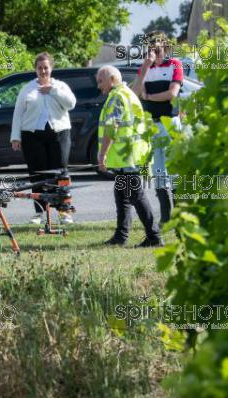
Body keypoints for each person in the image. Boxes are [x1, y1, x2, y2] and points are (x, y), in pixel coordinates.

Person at [96, 65, 163, 247]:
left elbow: (112, 127)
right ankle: (121, 236)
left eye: (100, 81)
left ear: (112, 79)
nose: (98, 86)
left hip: (126, 157)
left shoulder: (117, 96)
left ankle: (154, 236)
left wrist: (102, 154)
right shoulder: (126, 93)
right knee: (122, 196)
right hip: (129, 155)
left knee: (136, 196)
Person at [10, 52, 76, 225]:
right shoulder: (27, 88)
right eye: (40, 68)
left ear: (51, 68)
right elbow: (18, 114)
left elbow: (71, 104)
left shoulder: (60, 86)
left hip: (60, 133)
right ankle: (39, 212)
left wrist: (52, 91)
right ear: (35, 70)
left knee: (60, 172)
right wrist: (15, 137)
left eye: (46, 67)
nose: (43, 71)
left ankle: (64, 211)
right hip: (32, 135)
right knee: (37, 173)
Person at [132, 30, 183, 225]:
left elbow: (172, 93)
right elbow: (136, 92)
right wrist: (146, 65)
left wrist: (150, 97)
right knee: (158, 172)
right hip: (152, 125)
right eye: (151, 45)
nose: (154, 48)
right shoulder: (145, 67)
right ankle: (166, 217)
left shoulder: (174, 64)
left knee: (174, 170)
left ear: (165, 45)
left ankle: (180, 215)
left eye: (157, 45)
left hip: (171, 124)